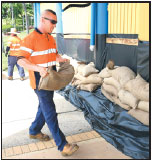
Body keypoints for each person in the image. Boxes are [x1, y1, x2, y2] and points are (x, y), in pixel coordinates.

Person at [17, 9, 79, 156]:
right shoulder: (30, 38)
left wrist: (60, 59)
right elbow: (20, 60)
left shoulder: (50, 38)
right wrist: (37, 68)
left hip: (51, 77)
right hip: (40, 81)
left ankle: (34, 131)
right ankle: (63, 145)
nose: (54, 25)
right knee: (50, 110)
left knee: (43, 107)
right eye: (52, 22)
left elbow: (53, 54)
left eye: (56, 22)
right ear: (43, 20)